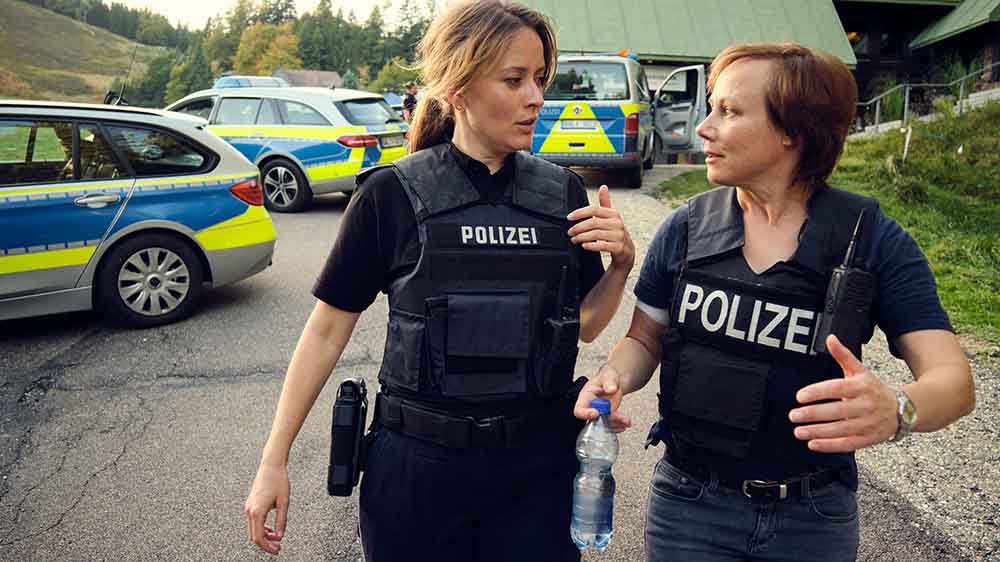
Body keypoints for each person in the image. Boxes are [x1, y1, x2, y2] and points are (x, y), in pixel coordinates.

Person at [244, 2, 636, 561]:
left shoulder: (563, 195)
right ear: (459, 89)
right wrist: (273, 460)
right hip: (418, 475)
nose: (536, 97)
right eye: (514, 80)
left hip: (535, 472)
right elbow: (327, 332)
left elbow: (586, 326)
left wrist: (621, 265)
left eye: (539, 79)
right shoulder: (390, 195)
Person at [574, 43, 975, 562]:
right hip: (689, 507)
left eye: (730, 111)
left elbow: (955, 382)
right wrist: (615, 377)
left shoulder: (871, 239)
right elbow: (642, 340)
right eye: (711, 107)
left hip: (813, 518)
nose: (704, 127)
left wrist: (899, 409)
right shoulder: (687, 227)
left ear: (794, 130)